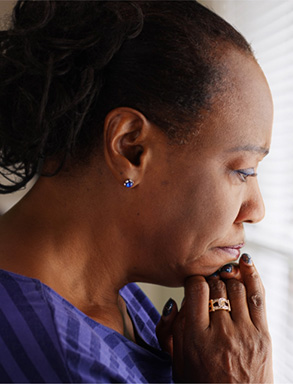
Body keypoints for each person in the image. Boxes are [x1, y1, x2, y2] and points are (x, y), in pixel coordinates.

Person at [0, 0, 274, 382]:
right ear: (131, 149)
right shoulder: (63, 360)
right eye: (243, 170)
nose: (256, 210)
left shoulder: (106, 297)